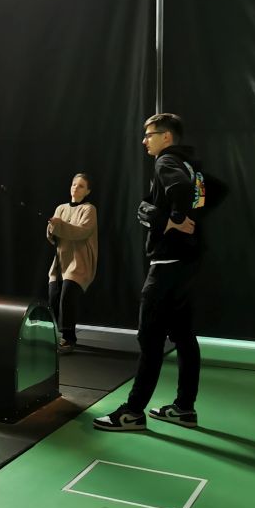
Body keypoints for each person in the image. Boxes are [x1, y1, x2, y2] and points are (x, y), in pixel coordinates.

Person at [94, 113, 203, 432]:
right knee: (184, 337)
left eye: (149, 134)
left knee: (150, 338)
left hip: (166, 266)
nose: (144, 141)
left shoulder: (166, 161)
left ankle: (132, 412)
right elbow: (191, 197)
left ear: (166, 137)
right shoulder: (191, 165)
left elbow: (180, 191)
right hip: (186, 267)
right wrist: (170, 217)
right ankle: (184, 408)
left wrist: (173, 220)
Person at [46, 173, 98, 352]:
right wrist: (51, 228)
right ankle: (54, 335)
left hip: (78, 262)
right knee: (53, 297)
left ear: (88, 191)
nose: (76, 188)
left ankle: (69, 338)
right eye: (74, 184)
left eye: (81, 185)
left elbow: (82, 232)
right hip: (60, 262)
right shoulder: (60, 208)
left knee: (67, 296)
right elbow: (52, 237)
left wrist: (59, 225)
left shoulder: (89, 209)